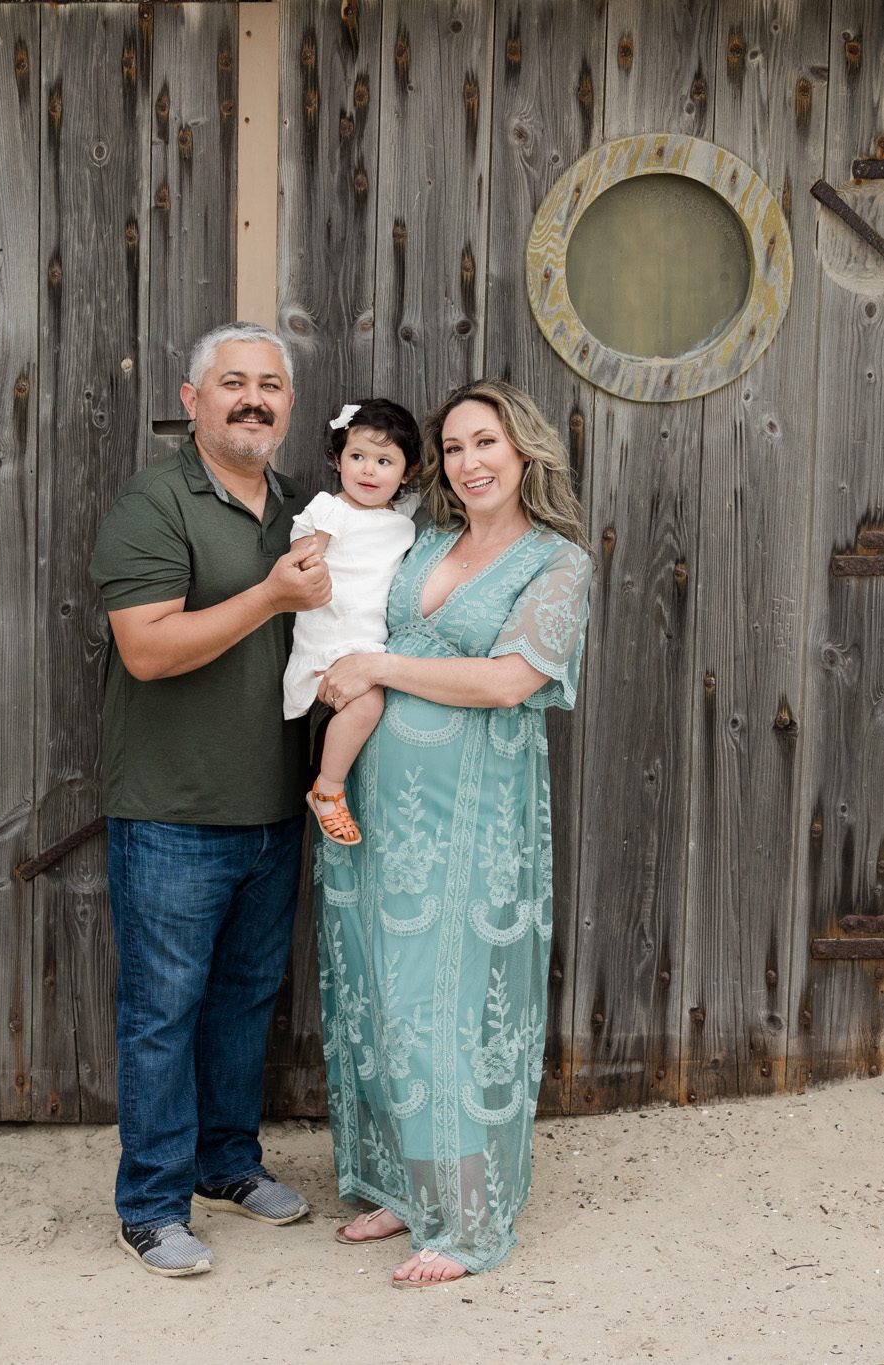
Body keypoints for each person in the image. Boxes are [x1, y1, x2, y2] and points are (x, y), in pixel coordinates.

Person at [310, 378, 595, 1286]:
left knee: (452, 1003)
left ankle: (466, 1217)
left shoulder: (557, 563)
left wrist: (376, 664)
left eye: (488, 443)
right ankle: (405, 1182)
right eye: (457, 447)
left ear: (524, 452)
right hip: (376, 807)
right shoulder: (425, 541)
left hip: (471, 813)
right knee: (381, 994)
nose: (470, 462)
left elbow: (511, 680)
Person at [88, 322, 328, 1277]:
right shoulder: (155, 505)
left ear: (290, 405)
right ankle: (150, 1204)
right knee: (162, 1013)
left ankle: (228, 1163)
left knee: (243, 1005)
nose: (254, 399)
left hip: (272, 810)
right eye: (233, 383)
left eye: (270, 385)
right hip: (171, 814)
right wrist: (269, 598)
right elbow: (147, 650)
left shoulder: (305, 513)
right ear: (192, 401)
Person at [280, 397, 424, 847]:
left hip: (370, 643)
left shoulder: (400, 521)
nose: (368, 470)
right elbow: (302, 559)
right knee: (367, 705)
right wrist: (310, 567)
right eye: (357, 456)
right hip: (333, 633)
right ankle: (327, 788)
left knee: (379, 709)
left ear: (406, 473)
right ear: (338, 459)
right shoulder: (331, 510)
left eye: (385, 461)